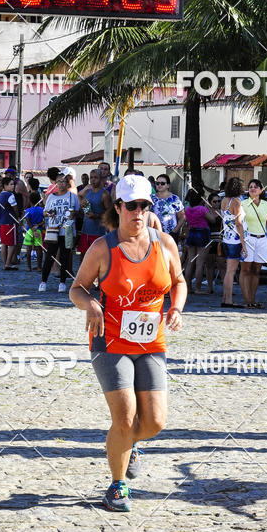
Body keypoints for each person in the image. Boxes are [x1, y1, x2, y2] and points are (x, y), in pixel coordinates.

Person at [69, 175, 187, 512]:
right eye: (131, 205)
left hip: (151, 342)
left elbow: (178, 281)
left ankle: (128, 444)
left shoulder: (164, 244)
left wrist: (176, 307)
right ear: (118, 207)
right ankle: (117, 486)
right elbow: (77, 288)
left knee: (155, 422)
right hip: (110, 341)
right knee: (124, 417)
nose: (138, 212)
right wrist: (91, 304)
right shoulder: (102, 248)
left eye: (144, 205)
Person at [39, 174, 80, 292]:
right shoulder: (51, 197)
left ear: (67, 184)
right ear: (55, 184)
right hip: (53, 229)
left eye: (63, 181)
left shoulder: (73, 197)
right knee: (49, 256)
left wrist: (73, 214)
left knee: (65, 256)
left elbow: (77, 211)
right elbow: (44, 212)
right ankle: (43, 281)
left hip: (67, 230)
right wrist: (49, 213)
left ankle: (62, 282)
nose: (61, 184)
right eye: (59, 181)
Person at [240, 179, 267, 308]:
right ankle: (246, 300)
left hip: (262, 239)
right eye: (250, 187)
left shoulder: (266, 205)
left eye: (256, 187)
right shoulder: (243, 204)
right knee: (246, 269)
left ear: (261, 190)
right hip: (248, 238)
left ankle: (253, 299)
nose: (253, 189)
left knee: (256, 270)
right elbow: (238, 224)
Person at [183, 187, 218, 293]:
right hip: (202, 233)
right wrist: (215, 213)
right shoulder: (202, 209)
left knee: (190, 261)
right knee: (200, 263)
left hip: (192, 233)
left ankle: (188, 287)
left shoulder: (187, 209)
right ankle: (198, 288)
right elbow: (212, 219)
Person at [220, 177, 247, 308]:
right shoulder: (237, 202)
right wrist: (244, 244)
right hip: (235, 240)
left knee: (228, 271)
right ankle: (229, 300)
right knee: (231, 271)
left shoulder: (224, 200)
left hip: (226, 238)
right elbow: (239, 224)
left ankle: (225, 298)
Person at [78, 168, 111, 255]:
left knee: (98, 257)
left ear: (100, 178)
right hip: (85, 230)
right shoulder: (87, 192)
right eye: (91, 177)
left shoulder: (105, 194)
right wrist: (82, 207)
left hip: (98, 232)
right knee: (83, 257)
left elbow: (109, 213)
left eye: (95, 177)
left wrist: (96, 216)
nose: (93, 180)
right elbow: (83, 211)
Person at [205, 192, 226, 295]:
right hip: (209, 240)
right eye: (215, 201)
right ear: (210, 202)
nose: (217, 203)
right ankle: (210, 287)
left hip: (220, 240)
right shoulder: (207, 212)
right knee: (209, 265)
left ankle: (225, 288)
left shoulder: (223, 212)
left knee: (221, 264)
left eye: (219, 201)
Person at [0, 176, 20, 270]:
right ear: (5, 185)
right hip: (10, 222)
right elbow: (15, 208)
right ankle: (8, 263)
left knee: (4, 244)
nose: (13, 186)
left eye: (13, 184)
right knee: (12, 244)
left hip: (2, 222)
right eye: (11, 184)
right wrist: (18, 217)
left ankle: (4, 263)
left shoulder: (0, 195)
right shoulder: (10, 195)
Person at [152, 174, 185, 239]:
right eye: (157, 183)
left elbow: (182, 216)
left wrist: (174, 231)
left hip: (171, 234)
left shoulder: (174, 199)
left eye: (162, 183)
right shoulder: (151, 198)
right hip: (154, 234)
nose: (159, 185)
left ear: (168, 185)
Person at [23, 191, 44, 271]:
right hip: (38, 230)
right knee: (39, 249)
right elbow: (44, 220)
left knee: (28, 249)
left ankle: (29, 267)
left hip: (30, 231)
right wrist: (37, 225)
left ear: (30, 200)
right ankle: (39, 267)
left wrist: (31, 228)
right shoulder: (41, 210)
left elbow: (27, 219)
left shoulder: (28, 210)